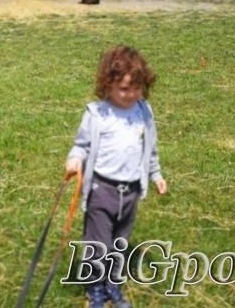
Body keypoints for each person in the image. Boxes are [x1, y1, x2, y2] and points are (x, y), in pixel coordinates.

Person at [65, 45, 168, 308]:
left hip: (131, 191)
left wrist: (155, 174)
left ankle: (113, 285)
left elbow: (150, 148)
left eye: (136, 88)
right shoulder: (97, 114)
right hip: (102, 190)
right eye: (123, 89)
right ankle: (95, 289)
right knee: (98, 244)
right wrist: (75, 159)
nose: (130, 94)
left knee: (119, 243)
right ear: (107, 85)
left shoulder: (143, 112)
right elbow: (82, 145)